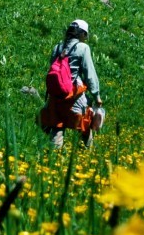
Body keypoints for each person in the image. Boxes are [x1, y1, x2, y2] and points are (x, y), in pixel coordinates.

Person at [39, 18, 102, 148]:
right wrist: (96, 95)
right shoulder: (83, 48)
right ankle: (87, 156)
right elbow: (90, 74)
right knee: (84, 124)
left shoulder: (57, 47)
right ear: (82, 34)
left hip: (56, 97)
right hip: (74, 95)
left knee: (57, 127)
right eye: (86, 35)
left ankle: (52, 160)